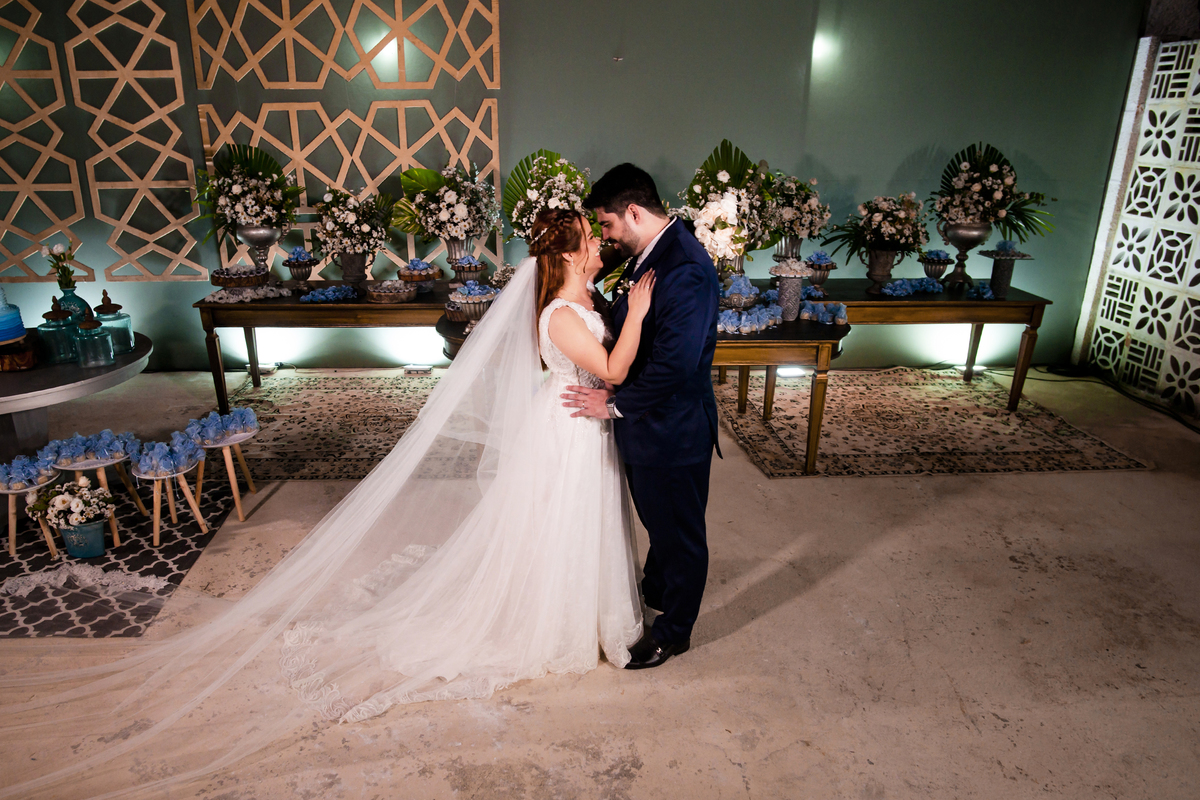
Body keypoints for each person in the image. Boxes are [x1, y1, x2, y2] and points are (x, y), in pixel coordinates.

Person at [0, 209, 657, 799]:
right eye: (591, 241)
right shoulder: (564, 317)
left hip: (579, 427)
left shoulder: (581, 297)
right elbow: (615, 369)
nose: (601, 246)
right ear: (568, 254)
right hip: (569, 430)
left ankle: (581, 607)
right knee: (559, 524)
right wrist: (642, 314)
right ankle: (556, 618)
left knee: (573, 527)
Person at [563, 163, 721, 669]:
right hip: (648, 428)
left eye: (607, 225)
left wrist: (613, 404)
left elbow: (675, 363)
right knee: (659, 523)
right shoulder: (651, 253)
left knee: (679, 536)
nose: (605, 237)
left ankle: (674, 632)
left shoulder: (686, 267)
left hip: (672, 430)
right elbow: (639, 322)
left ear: (634, 212)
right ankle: (654, 591)